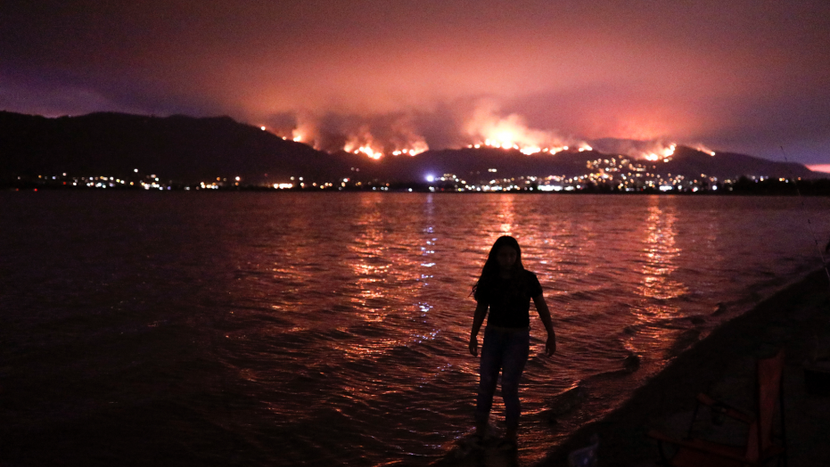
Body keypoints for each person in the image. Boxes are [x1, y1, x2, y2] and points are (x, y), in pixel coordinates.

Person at [469, 235, 556, 450]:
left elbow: (542, 307)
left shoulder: (528, 279)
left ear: (517, 256)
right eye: (503, 255)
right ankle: (480, 433)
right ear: (496, 257)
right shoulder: (490, 280)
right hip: (493, 336)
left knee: (509, 387)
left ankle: (510, 436)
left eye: (511, 255)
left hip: (517, 339)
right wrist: (473, 335)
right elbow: (481, 309)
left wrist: (551, 334)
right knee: (486, 385)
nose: (507, 259)